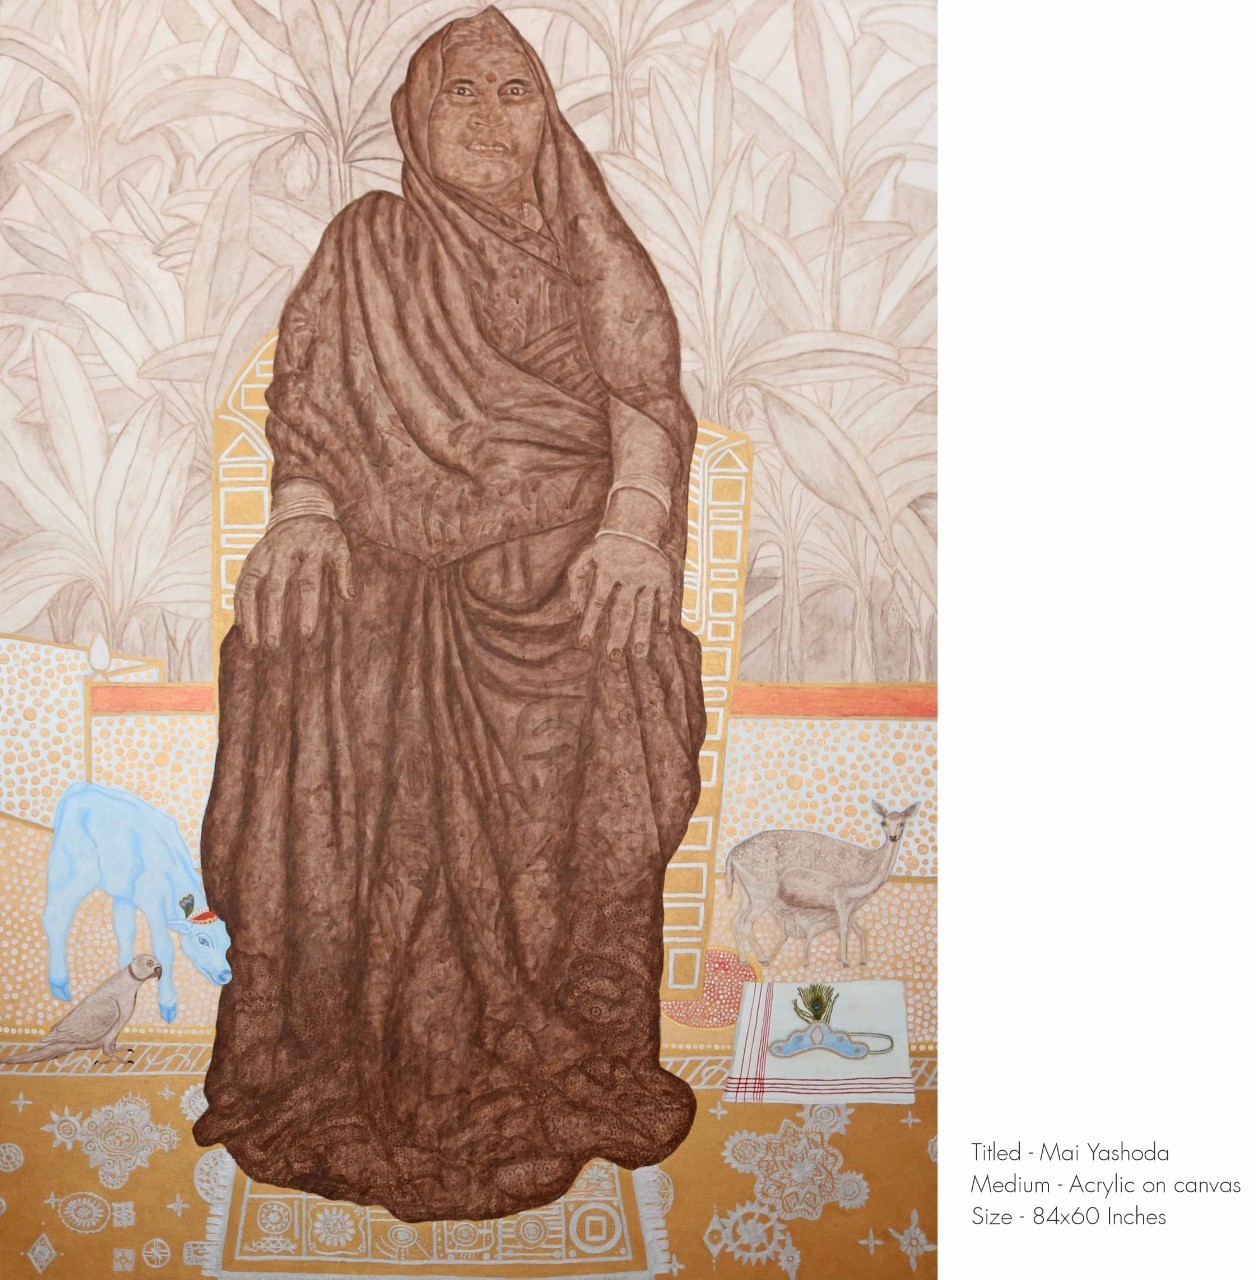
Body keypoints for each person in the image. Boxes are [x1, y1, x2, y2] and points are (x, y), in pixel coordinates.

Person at [192, 7, 706, 1224]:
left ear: (548, 116)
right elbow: (311, 410)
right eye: (458, 94)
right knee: (294, 646)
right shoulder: (365, 242)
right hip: (385, 562)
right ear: (413, 119)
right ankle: (340, 1047)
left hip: (558, 570)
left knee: (620, 660)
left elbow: (644, 399)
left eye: (513, 92)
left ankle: (560, 1034)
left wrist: (635, 525)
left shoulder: (590, 248)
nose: (486, 118)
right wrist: (303, 510)